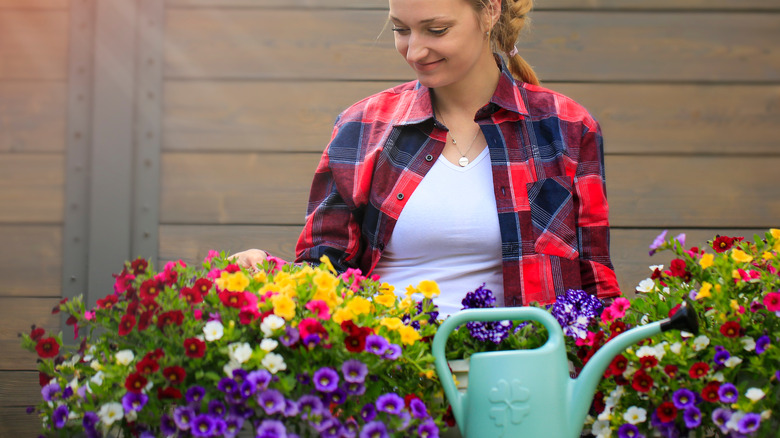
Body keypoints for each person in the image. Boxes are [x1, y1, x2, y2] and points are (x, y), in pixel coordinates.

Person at [233, 0, 621, 315]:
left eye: (436, 30)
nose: (415, 50)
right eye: (401, 30)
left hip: (519, 377)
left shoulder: (568, 127)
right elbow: (324, 273)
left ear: (490, 11)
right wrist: (265, 269)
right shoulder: (362, 127)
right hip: (392, 375)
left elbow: (595, 282)